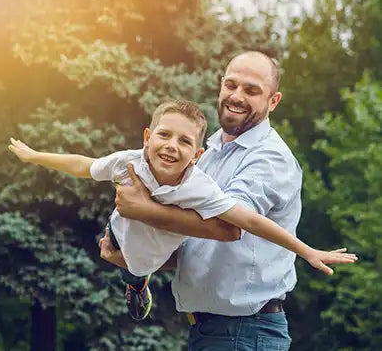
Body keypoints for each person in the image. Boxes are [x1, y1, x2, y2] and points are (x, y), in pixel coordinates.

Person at [9, 99, 355, 324]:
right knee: (120, 256)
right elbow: (84, 165)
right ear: (147, 137)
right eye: (164, 135)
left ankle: (137, 280)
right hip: (119, 235)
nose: (172, 146)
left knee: (137, 268)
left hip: (156, 254)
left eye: (185, 142)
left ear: (197, 155)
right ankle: (135, 281)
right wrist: (36, 155)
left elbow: (248, 220)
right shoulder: (128, 162)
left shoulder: (198, 187)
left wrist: (306, 250)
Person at [99, 51, 356, 349]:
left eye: (251, 90)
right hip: (210, 331)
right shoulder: (209, 152)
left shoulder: (268, 157)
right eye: (230, 85)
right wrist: (135, 260)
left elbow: (228, 228)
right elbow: (195, 249)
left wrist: (143, 210)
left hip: (244, 332)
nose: (236, 96)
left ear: (273, 101)